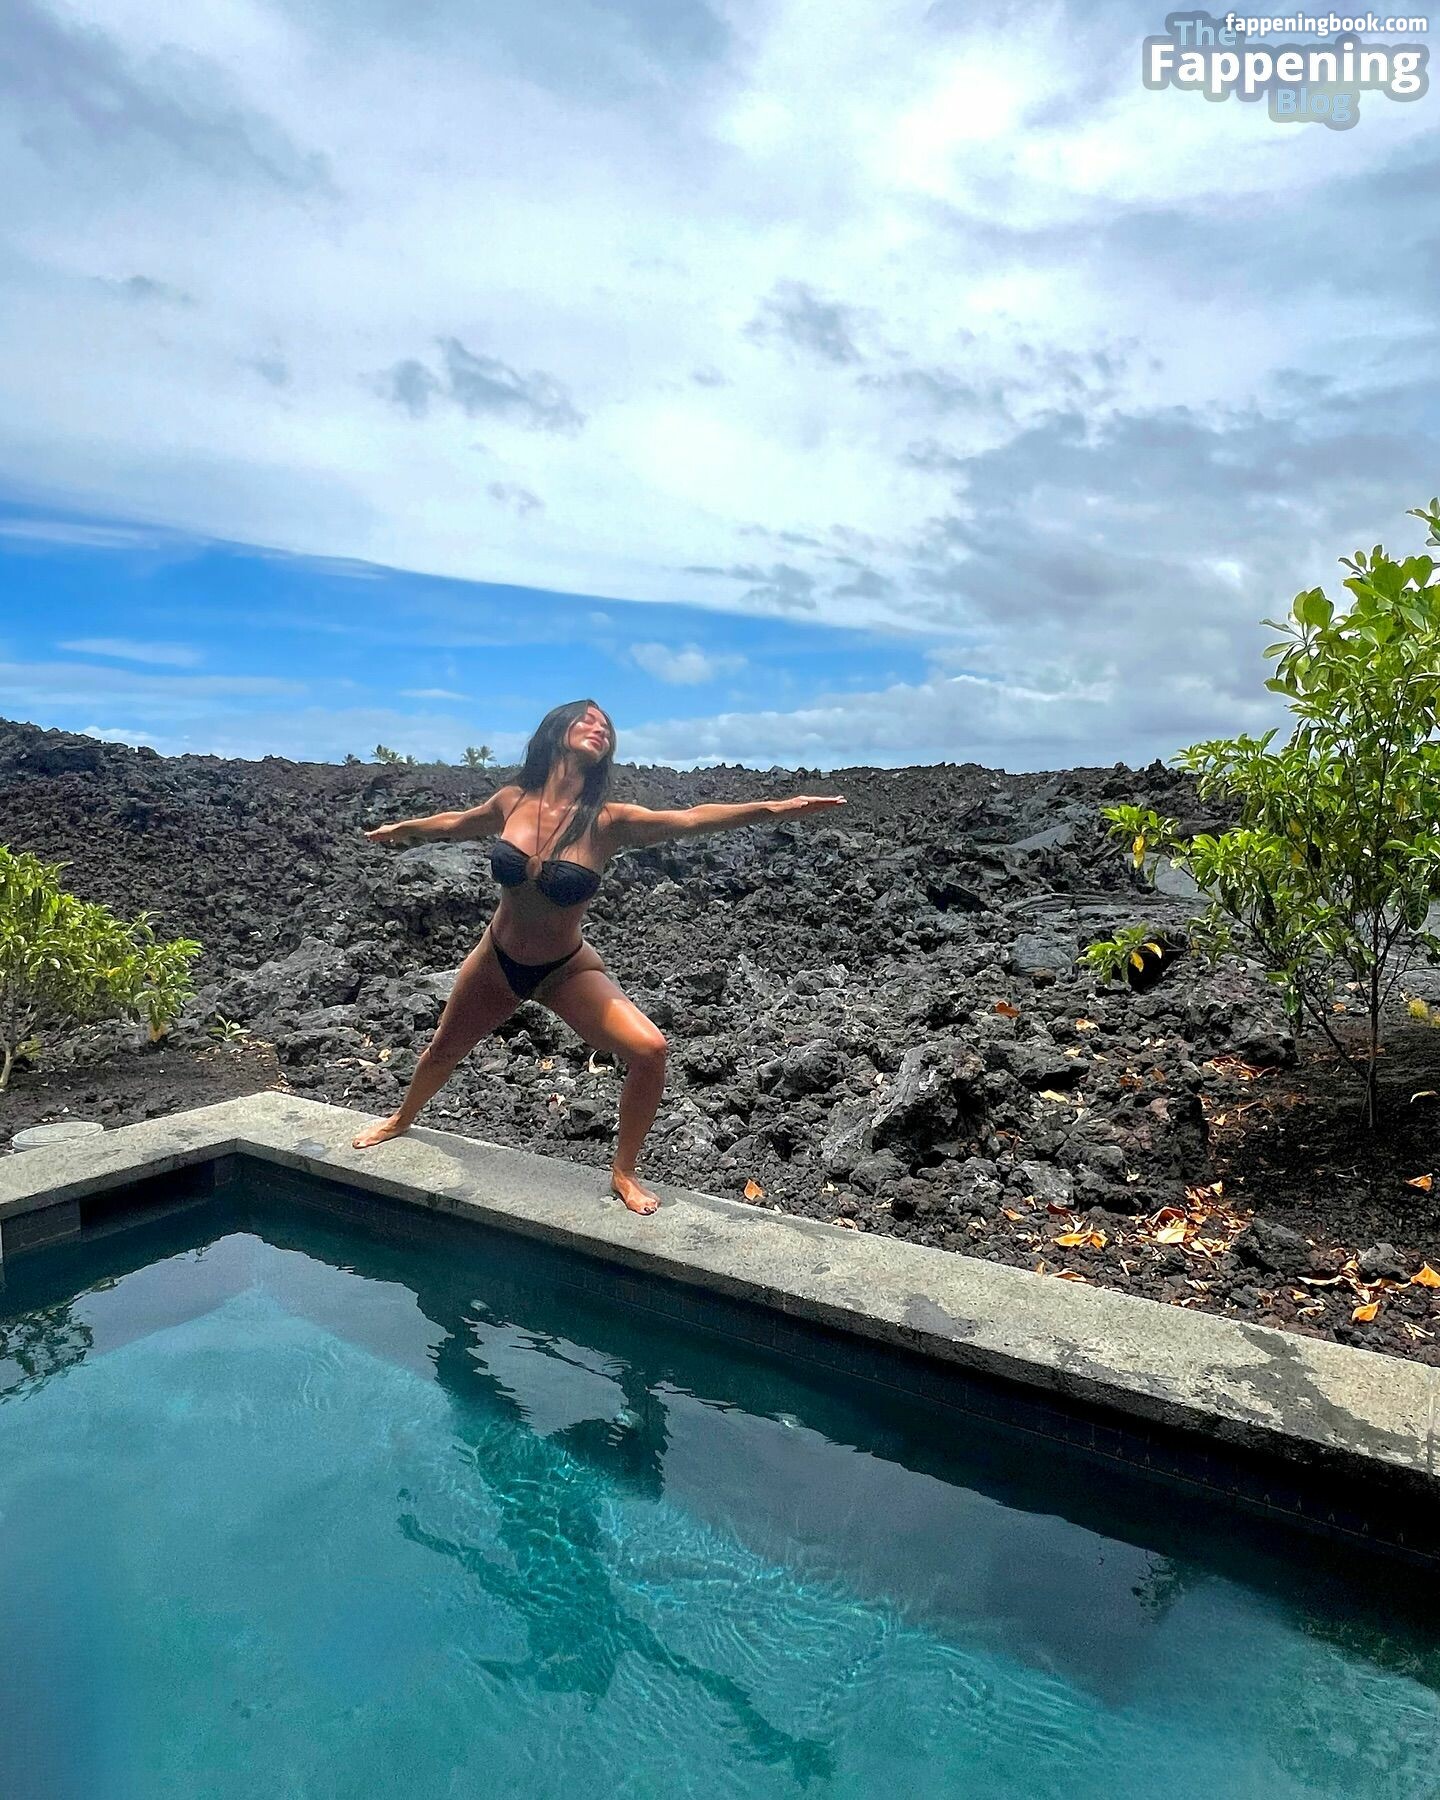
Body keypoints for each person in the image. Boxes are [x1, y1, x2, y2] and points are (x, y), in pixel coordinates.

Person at [351, 698, 845, 1215]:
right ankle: (401, 1119)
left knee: (650, 1050)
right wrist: (402, 830)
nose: (598, 727)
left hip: (563, 970)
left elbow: (690, 818)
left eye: (606, 725)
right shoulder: (512, 800)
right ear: (556, 730)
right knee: (441, 1053)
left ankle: (623, 1171)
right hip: (495, 960)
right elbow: (457, 822)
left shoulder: (609, 821)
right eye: (587, 719)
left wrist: (774, 808)